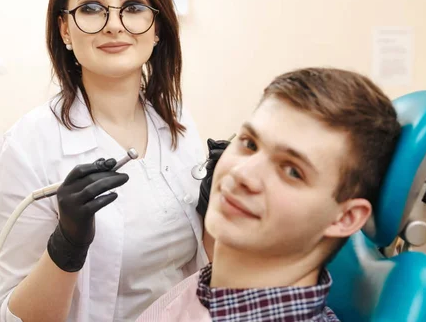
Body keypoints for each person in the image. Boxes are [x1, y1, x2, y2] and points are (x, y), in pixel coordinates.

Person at [0, 0, 210, 322]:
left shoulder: (177, 121)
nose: (113, 25)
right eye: (91, 9)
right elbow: (11, 317)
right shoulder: (30, 145)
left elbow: (202, 274)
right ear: (65, 30)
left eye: (133, 7)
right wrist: (66, 248)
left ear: (156, 28)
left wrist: (217, 207)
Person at [137, 67, 402, 322]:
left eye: (292, 171)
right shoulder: (207, 290)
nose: (242, 174)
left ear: (344, 218)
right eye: (250, 144)